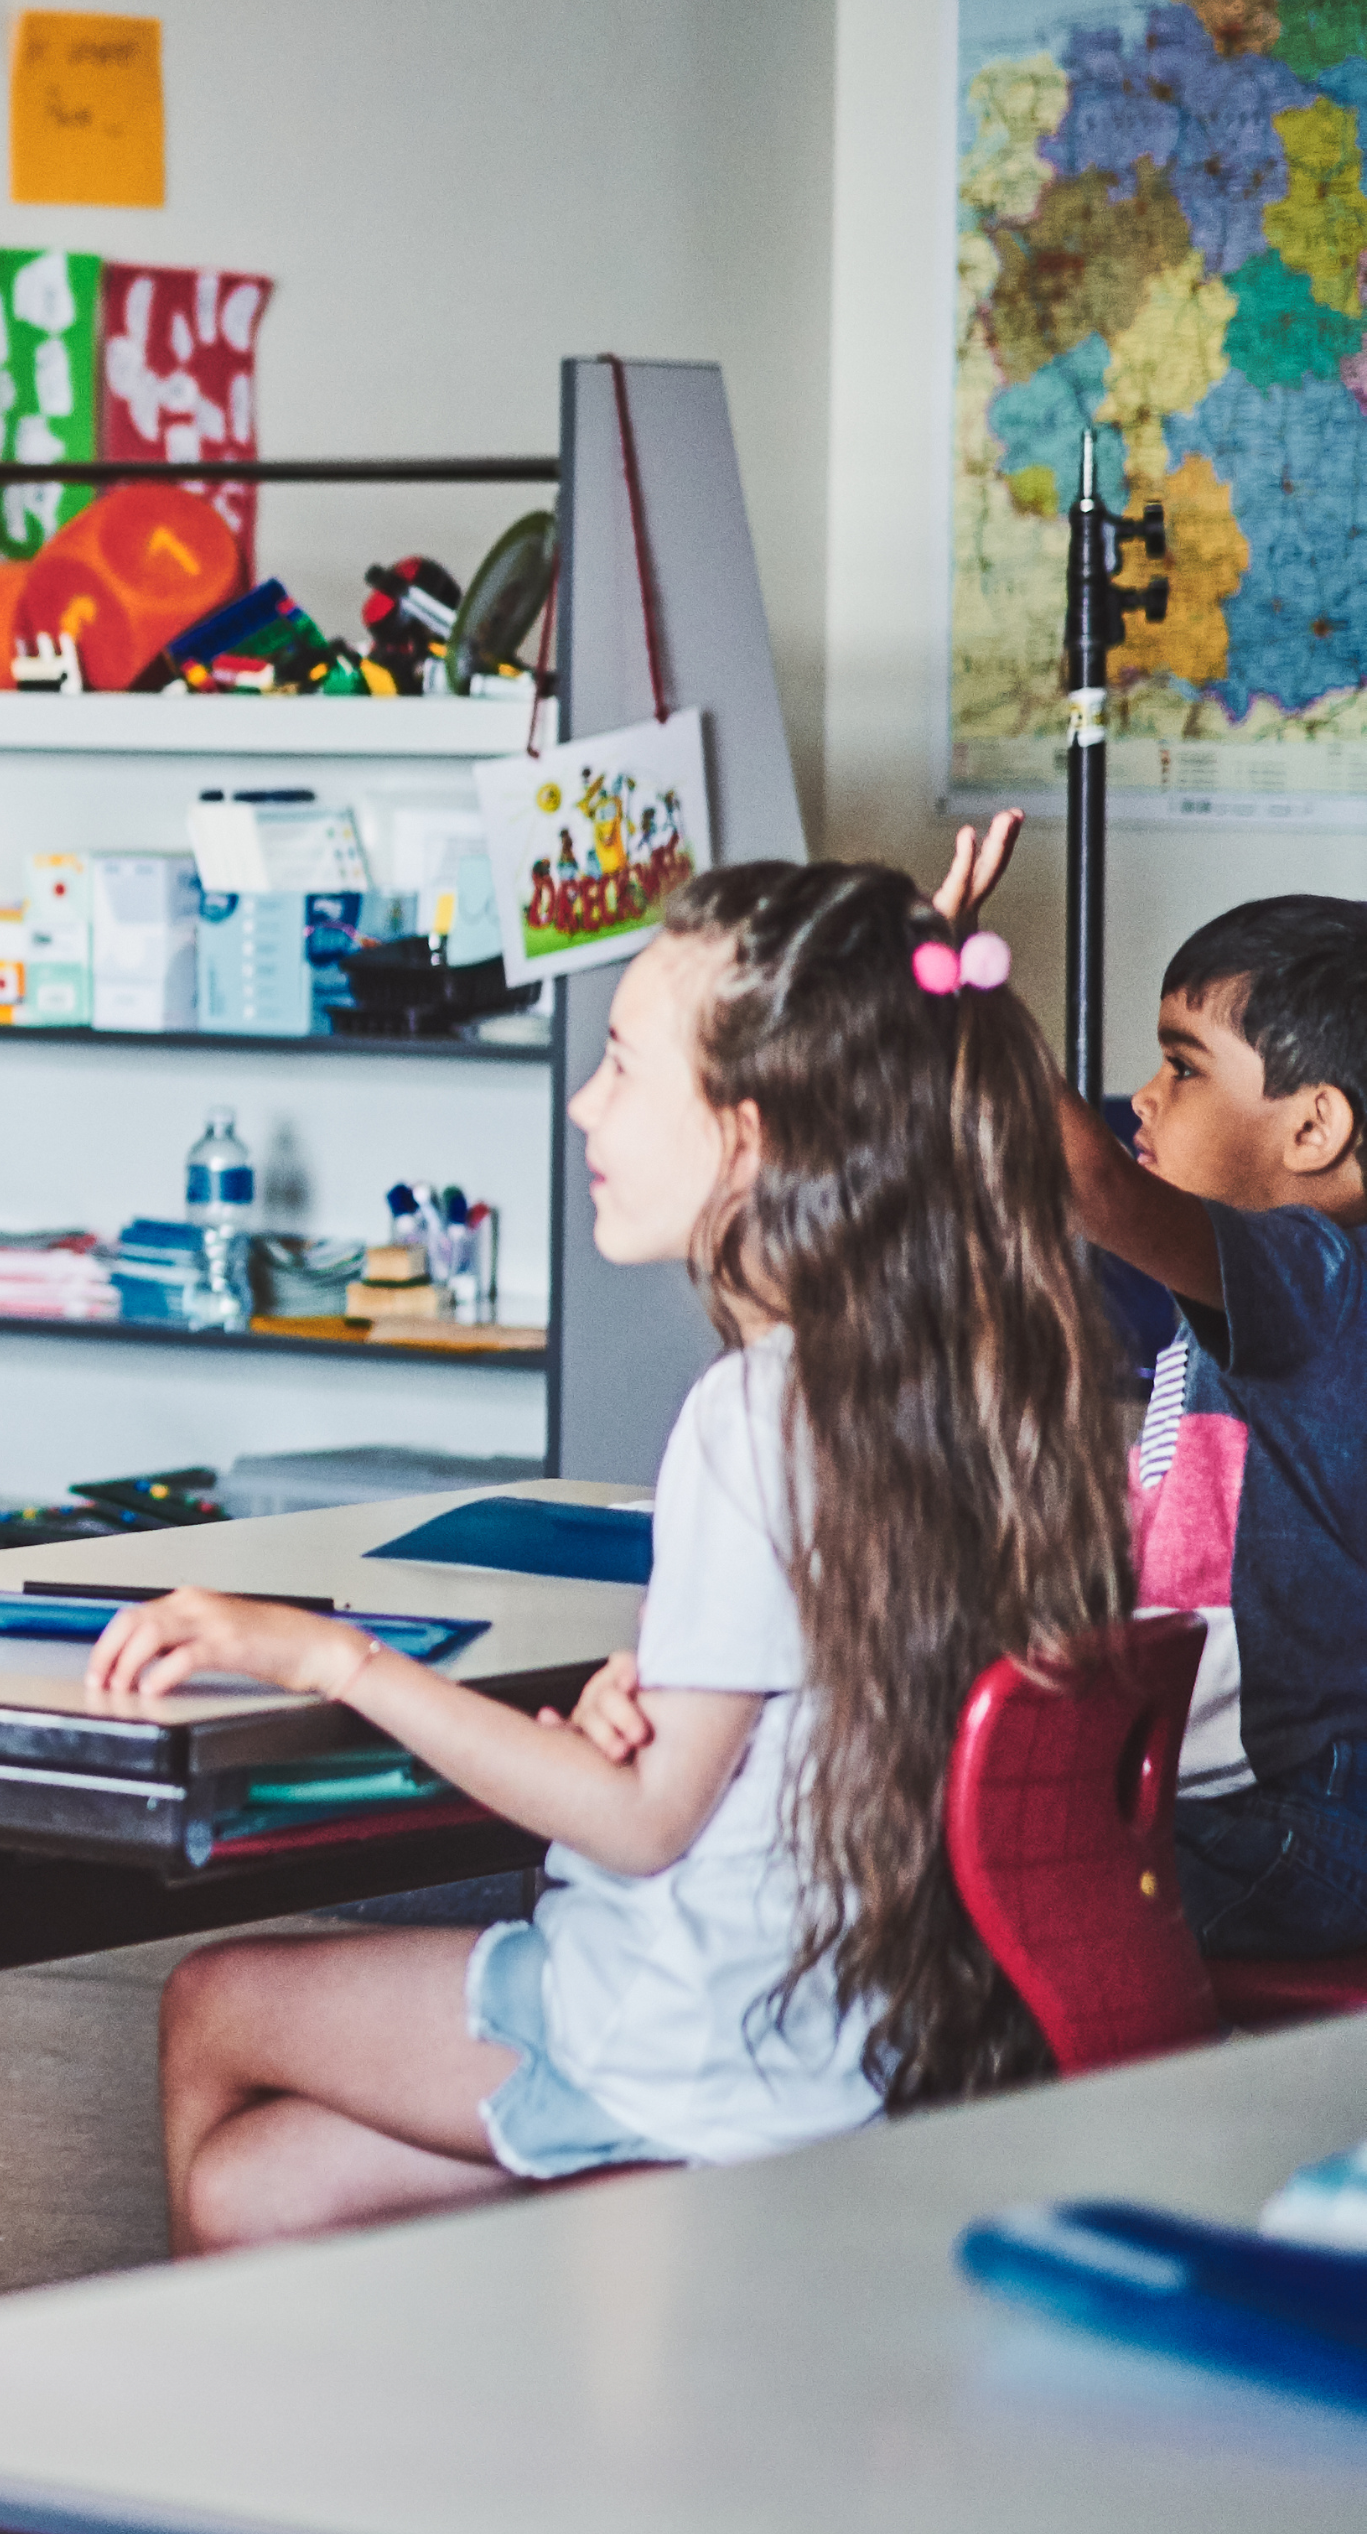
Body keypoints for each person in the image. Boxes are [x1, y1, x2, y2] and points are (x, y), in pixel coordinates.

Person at [112, 860, 1135, 2249]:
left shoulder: (754, 1414)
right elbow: (800, 1723)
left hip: (699, 2042)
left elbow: (642, 1822)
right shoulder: (984, 1381)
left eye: (620, 1065)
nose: (587, 1105)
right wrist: (650, 1690)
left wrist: (326, 1653)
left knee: (211, 2000)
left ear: (752, 1136)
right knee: (258, 2183)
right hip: (872, 2031)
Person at [929, 825, 1367, 1961]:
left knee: (981, 1933)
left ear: (1317, 1127)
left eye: (1181, 1067)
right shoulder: (1278, 1299)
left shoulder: (1317, 1276)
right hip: (1245, 1797)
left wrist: (958, 976)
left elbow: (1079, 1174)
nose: (1144, 1101)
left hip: (1304, 1826)